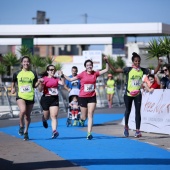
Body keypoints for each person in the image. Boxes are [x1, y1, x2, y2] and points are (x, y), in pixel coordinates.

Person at [105, 52, 162, 138]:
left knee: (138, 112)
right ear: (133, 62)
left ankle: (138, 131)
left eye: (139, 61)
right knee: (128, 110)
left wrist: (159, 63)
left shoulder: (143, 70)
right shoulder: (128, 69)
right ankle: (126, 127)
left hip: (137, 94)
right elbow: (115, 70)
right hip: (128, 94)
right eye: (136, 61)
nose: (137, 63)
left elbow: (155, 71)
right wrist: (107, 61)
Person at [62, 59, 109, 140]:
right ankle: (82, 120)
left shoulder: (95, 73)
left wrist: (107, 61)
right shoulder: (82, 74)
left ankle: (89, 133)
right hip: (83, 97)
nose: (89, 66)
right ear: (85, 67)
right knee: (84, 116)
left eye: (90, 65)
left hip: (92, 97)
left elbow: (106, 70)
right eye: (87, 65)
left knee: (90, 114)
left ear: (92, 66)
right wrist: (62, 75)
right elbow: (70, 79)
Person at [11, 56, 39, 141]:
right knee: (22, 110)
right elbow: (13, 81)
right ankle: (21, 125)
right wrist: (12, 88)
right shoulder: (17, 73)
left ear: (29, 63)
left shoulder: (33, 73)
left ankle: (26, 132)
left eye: (27, 62)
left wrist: (39, 83)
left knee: (27, 116)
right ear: (22, 63)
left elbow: (34, 85)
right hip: (21, 95)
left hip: (30, 96)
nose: (26, 63)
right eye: (24, 61)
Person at [38, 64, 64, 139]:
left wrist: (61, 76)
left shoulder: (56, 79)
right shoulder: (44, 79)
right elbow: (40, 90)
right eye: (51, 70)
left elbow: (62, 83)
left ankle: (54, 131)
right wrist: (40, 83)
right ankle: (44, 119)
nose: (53, 71)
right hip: (46, 98)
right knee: (46, 116)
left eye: (54, 70)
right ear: (48, 71)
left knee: (54, 116)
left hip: (54, 99)